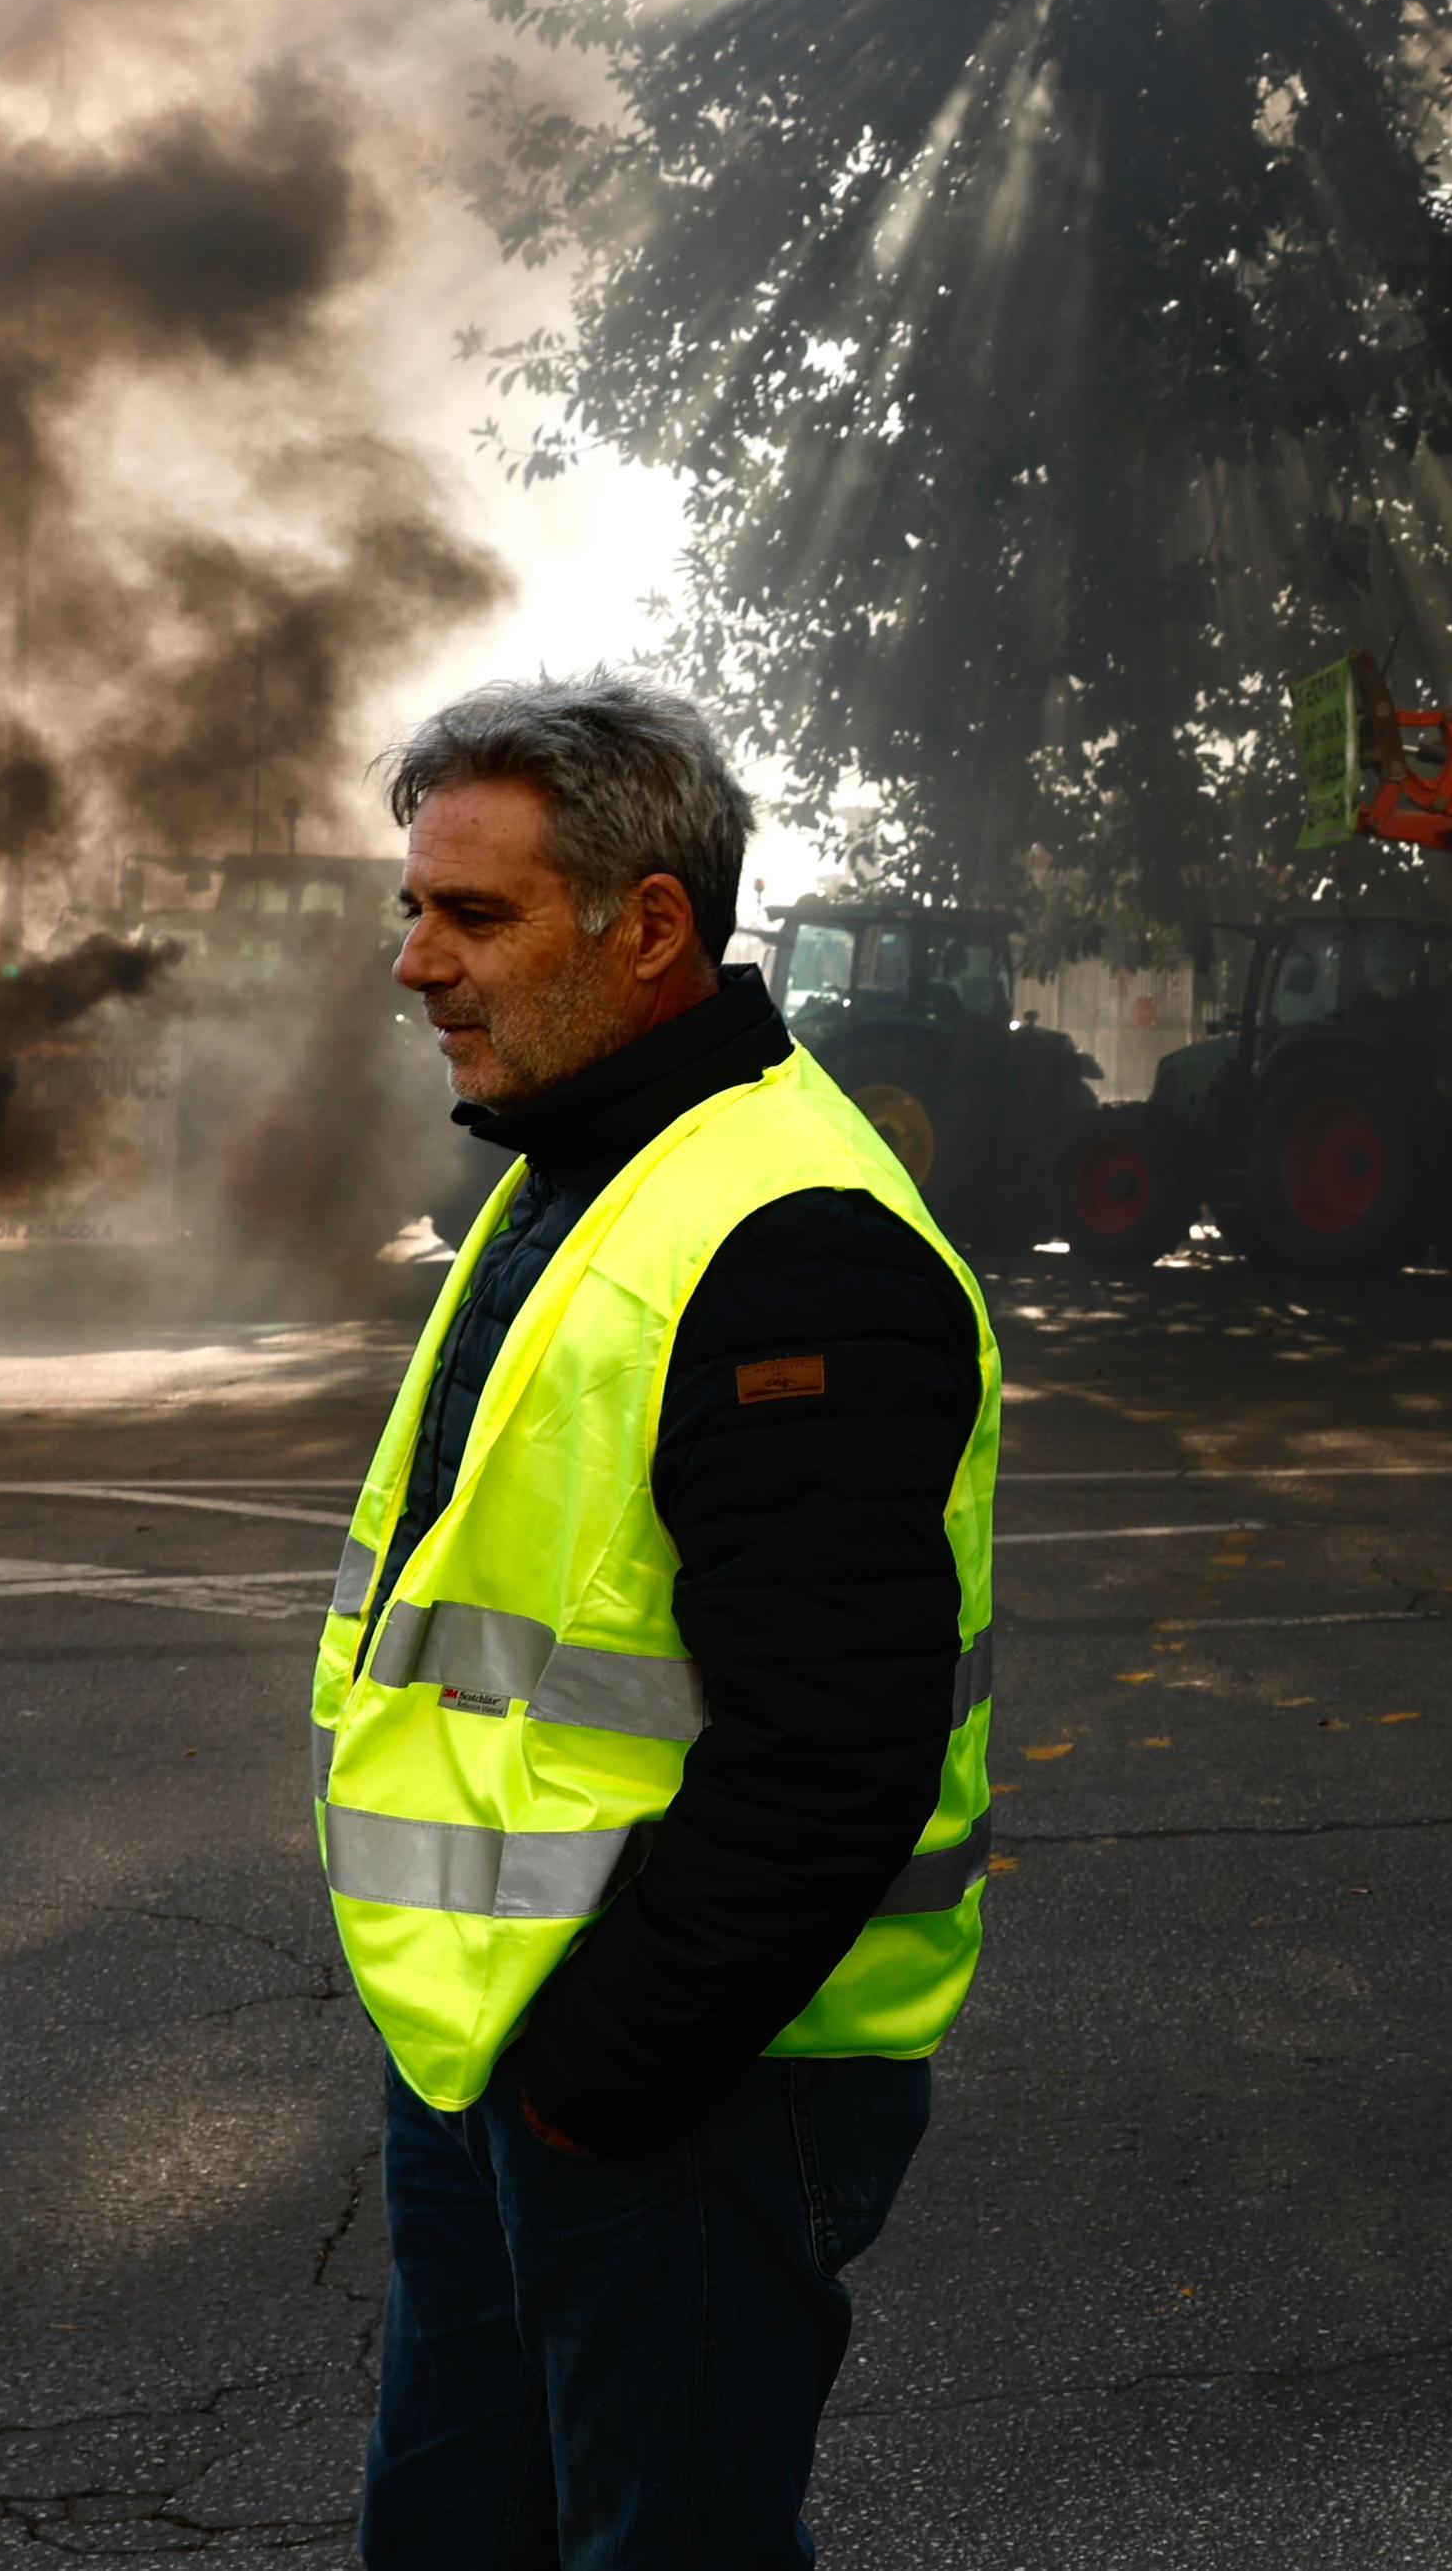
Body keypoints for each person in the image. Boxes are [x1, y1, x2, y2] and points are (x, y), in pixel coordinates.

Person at [321, 674, 1000, 2569]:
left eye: (473, 915)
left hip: (679, 2083)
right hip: (508, 2048)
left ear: (650, 930)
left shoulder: (791, 1235)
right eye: (414, 906)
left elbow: (835, 1746)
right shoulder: (582, 1165)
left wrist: (599, 2081)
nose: (415, 964)